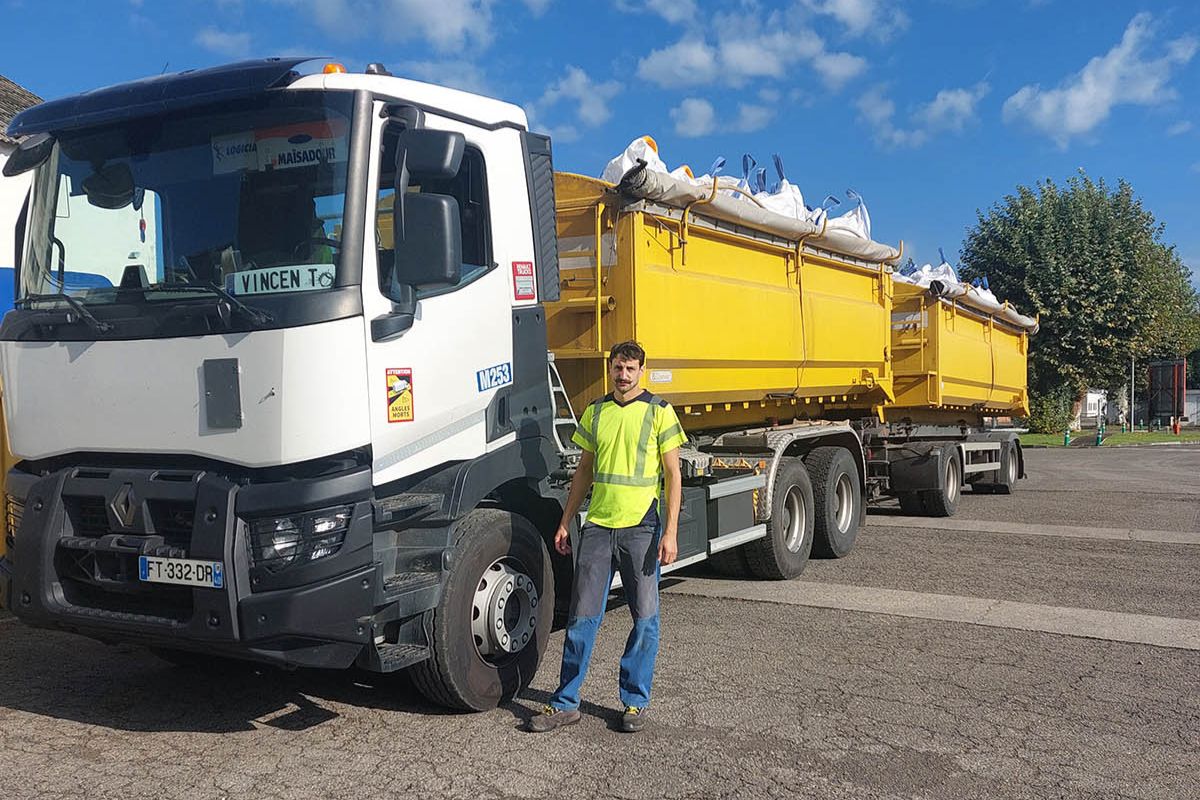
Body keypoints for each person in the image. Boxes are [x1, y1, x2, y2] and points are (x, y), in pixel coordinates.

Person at [528, 341, 687, 734]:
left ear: (641, 371)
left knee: (645, 619)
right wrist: (566, 520)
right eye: (618, 367)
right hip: (598, 526)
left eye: (631, 368)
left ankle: (634, 703)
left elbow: (673, 475)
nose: (623, 375)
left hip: (642, 529)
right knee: (582, 617)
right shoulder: (595, 412)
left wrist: (670, 532)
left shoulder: (659, 412)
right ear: (610, 368)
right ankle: (565, 702)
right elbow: (584, 471)